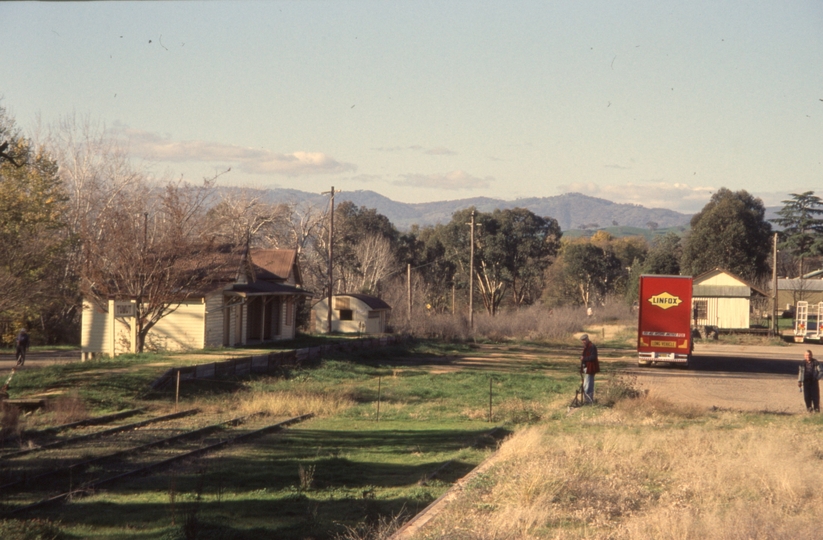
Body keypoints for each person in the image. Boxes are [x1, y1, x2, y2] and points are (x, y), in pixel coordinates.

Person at [580, 334, 600, 404]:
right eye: (582, 340)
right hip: (586, 368)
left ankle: (589, 401)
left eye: (584, 340)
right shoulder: (586, 347)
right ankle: (588, 400)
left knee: (588, 385)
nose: (583, 341)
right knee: (586, 384)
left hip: (591, 368)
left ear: (587, 339)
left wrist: (584, 358)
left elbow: (593, 357)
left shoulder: (592, 347)